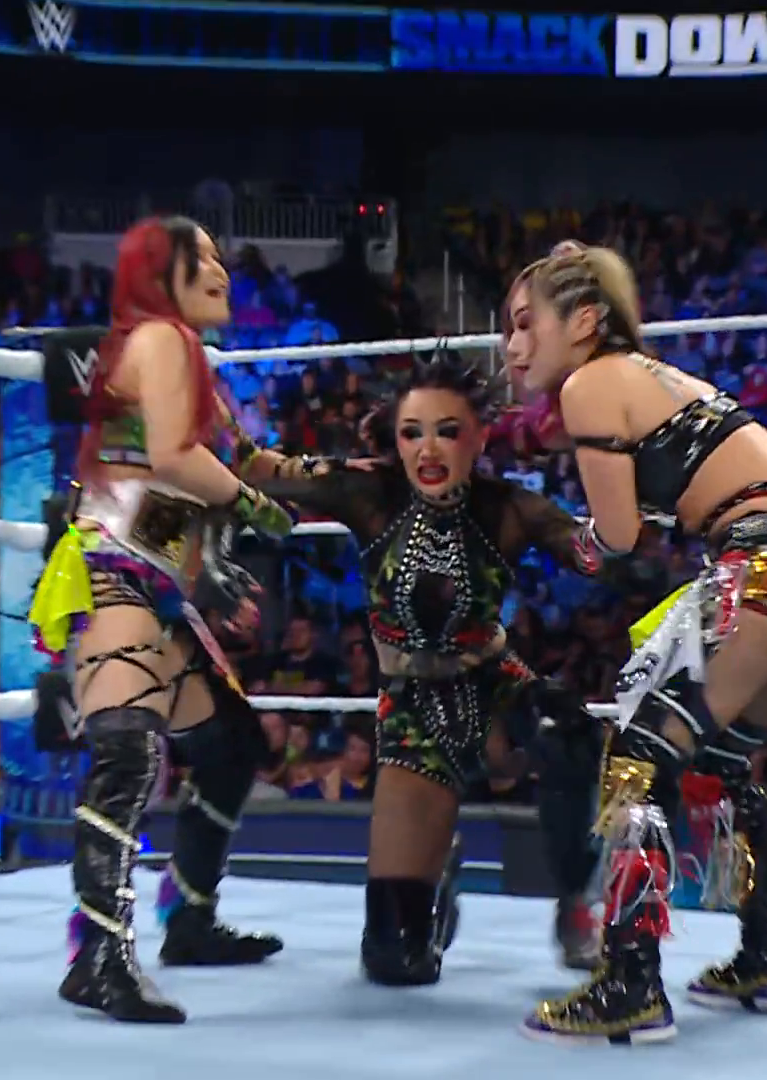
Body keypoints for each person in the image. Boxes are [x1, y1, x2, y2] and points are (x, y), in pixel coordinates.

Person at [507, 242, 767, 1045]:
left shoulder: (591, 381)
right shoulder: (652, 376)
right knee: (721, 760)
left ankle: (630, 981)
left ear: (584, 321)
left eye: (525, 322)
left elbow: (616, 536)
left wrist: (555, 538)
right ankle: (766, 953)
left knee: (637, 754)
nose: (512, 344)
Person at [254, 351, 618, 986]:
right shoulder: (369, 490)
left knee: (567, 730)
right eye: (411, 433)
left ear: (479, 436)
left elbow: (599, 555)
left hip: (493, 685)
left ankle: (578, 900)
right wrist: (187, 399)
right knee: (395, 960)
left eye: (448, 431)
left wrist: (607, 453)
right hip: (414, 706)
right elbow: (263, 469)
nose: (427, 449)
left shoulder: (510, 506)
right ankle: (437, 870)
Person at [28, 216, 311, 1024]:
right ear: (163, 272)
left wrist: (346, 480)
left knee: (230, 743)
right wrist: (256, 507)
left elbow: (237, 460)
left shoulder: (186, 359)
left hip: (153, 577)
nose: (222, 270)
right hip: (113, 569)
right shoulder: (159, 338)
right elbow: (175, 460)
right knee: (127, 751)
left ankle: (188, 917)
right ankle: (97, 955)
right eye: (204, 258)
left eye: (223, 257)